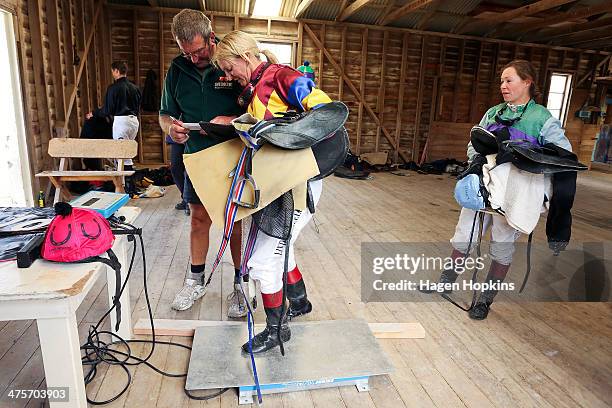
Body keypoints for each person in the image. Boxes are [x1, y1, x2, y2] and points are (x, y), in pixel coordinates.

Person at [422, 59, 572, 320]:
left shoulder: (542, 119)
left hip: (516, 194)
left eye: (509, 80)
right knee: (463, 236)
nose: (503, 86)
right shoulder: (493, 113)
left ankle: (485, 301)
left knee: (501, 246)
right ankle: (445, 282)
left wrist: (524, 155)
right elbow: (473, 145)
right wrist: (481, 160)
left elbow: (563, 154)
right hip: (484, 187)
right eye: (501, 81)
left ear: (527, 82)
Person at [212, 30, 333, 353]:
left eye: (228, 67)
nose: (228, 76)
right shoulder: (256, 90)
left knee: (264, 260)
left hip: (296, 183)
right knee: (283, 248)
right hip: (277, 182)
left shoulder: (282, 77)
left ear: (244, 57)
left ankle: (277, 330)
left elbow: (324, 112)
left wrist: (272, 128)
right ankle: (300, 301)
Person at [158, 10, 247, 317]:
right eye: (187, 53)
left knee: (233, 220)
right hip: (196, 155)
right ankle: (195, 280)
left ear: (211, 37)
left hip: (232, 153)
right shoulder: (177, 68)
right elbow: (165, 114)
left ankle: (240, 283)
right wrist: (171, 128)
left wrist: (233, 120)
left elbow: (258, 111)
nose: (194, 58)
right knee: (198, 218)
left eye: (198, 51)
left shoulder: (230, 59)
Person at [87, 61, 141, 171]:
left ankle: (125, 184)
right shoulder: (135, 88)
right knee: (127, 153)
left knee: (121, 154)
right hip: (134, 122)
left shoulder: (113, 88)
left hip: (122, 122)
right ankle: (127, 183)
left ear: (117, 71)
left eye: (113, 71)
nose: (112, 74)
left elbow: (107, 110)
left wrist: (94, 113)